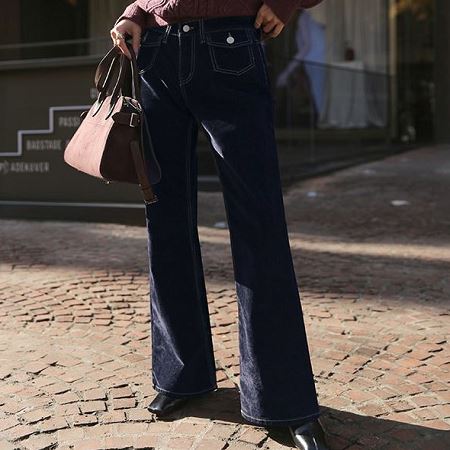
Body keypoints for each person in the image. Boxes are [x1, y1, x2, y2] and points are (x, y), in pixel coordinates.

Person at [110, 2, 329, 449]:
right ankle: (181, 376)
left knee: (259, 225)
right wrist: (134, 12)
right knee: (165, 221)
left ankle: (284, 403)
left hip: (228, 45)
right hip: (157, 55)